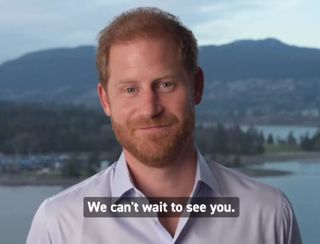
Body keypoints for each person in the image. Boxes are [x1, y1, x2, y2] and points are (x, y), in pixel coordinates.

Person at [26, 7, 302, 244]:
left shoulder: (269, 213)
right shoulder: (59, 225)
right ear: (105, 100)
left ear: (197, 87)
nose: (150, 108)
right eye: (130, 89)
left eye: (165, 84)